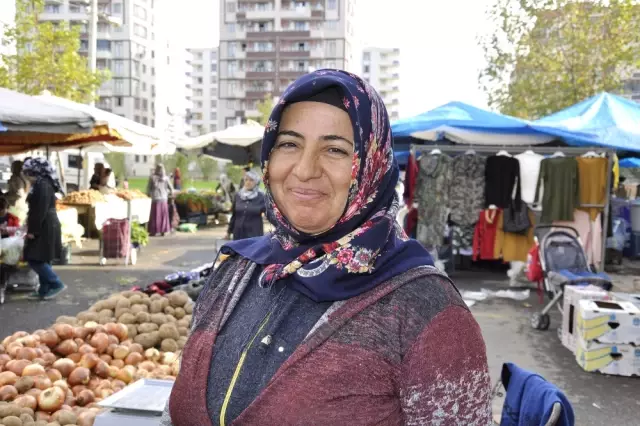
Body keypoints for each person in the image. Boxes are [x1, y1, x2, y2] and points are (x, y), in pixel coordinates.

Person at [162, 70, 492, 425]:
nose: (304, 170)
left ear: (373, 166)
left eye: (335, 149)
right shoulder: (236, 270)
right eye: (289, 143)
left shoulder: (428, 311)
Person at [22, 158, 66, 300]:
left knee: (34, 258)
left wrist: (32, 231)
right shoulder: (42, 184)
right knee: (43, 258)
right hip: (46, 224)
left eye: (28, 173)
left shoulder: (43, 186)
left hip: (44, 226)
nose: (27, 177)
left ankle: (56, 283)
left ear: (36, 172)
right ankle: (43, 290)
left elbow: (39, 210)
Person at [225, 170, 265, 240]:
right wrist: (228, 232)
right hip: (238, 234)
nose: (248, 182)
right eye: (246, 180)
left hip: (254, 235)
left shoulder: (261, 197)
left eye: (251, 180)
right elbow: (234, 215)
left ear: (256, 182)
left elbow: (271, 215)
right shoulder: (238, 195)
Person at [147, 164, 173, 236]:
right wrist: (169, 194)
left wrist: (148, 195)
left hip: (156, 198)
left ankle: (154, 231)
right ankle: (163, 230)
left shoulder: (153, 178)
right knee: (163, 215)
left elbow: (148, 188)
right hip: (162, 199)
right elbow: (171, 189)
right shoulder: (165, 178)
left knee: (156, 215)